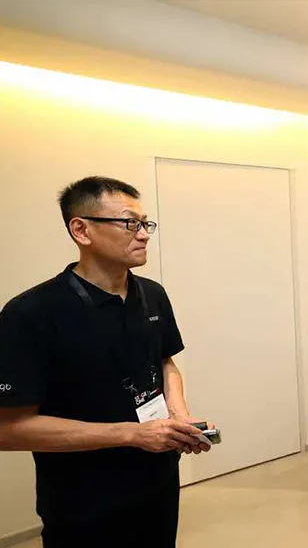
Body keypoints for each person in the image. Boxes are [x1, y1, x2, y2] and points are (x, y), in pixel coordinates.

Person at [0, 176, 213, 548]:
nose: (143, 234)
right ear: (81, 230)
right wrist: (131, 434)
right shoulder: (29, 313)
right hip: (83, 499)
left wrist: (178, 415)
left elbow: (166, 362)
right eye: (130, 223)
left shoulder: (152, 295)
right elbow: (9, 429)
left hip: (158, 480)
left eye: (146, 224)